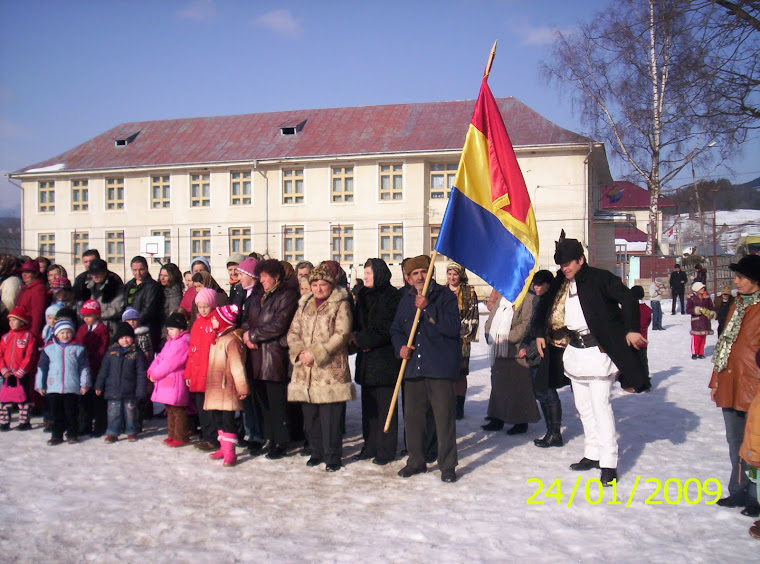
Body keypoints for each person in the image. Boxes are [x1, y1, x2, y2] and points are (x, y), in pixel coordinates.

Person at [534, 233, 649, 486]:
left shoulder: (599, 278)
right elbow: (544, 307)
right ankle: (592, 453)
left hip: (599, 353)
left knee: (600, 407)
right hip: (574, 351)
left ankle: (608, 462)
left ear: (581, 260)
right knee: (583, 407)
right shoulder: (560, 283)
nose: (564, 268)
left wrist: (631, 329)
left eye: (568, 264)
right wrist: (540, 333)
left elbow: (629, 298)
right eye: (561, 264)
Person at [390, 255, 461, 483]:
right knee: (413, 420)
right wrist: (400, 347)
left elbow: (452, 328)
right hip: (413, 368)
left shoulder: (445, 296)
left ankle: (447, 464)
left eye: (423, 271)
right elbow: (396, 330)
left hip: (439, 367)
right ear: (408, 279)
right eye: (415, 273)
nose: (420, 276)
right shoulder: (405, 300)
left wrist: (429, 308)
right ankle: (416, 461)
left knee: (444, 419)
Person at [287, 264, 356, 472]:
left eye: (322, 284)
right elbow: (293, 331)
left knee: (330, 417)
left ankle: (332, 455)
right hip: (306, 371)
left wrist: (316, 353)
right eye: (314, 284)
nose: (318, 288)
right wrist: (300, 351)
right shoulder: (305, 303)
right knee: (311, 416)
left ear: (330, 284)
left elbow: (342, 334)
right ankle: (316, 451)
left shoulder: (340, 303)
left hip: (329, 370)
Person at [709, 254, 760, 518]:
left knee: (756, 444)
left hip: (754, 386)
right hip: (730, 380)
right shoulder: (735, 305)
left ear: (755, 280)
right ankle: (738, 490)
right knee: (735, 441)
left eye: (741, 277)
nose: (736, 282)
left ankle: (756, 497)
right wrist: (716, 381)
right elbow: (723, 344)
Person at [243, 259, 299, 459]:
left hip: (274, 356)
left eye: (266, 276)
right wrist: (247, 333)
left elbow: (279, 324)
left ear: (276, 277)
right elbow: (247, 319)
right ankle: (269, 437)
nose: (262, 279)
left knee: (277, 402)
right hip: (256, 356)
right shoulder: (257, 296)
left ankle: (281, 441)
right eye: (261, 275)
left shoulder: (287, 295)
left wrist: (254, 335)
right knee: (262, 402)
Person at [352, 258, 402, 465]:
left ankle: (386, 449)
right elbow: (355, 323)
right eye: (364, 273)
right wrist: (356, 338)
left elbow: (388, 327)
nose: (365, 277)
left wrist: (366, 341)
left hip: (384, 359)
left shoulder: (392, 296)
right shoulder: (362, 295)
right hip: (366, 361)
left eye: (369, 273)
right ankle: (369, 444)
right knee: (369, 408)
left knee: (385, 407)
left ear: (379, 274)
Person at [518, 270, 567, 448]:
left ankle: (555, 432)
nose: (536, 288)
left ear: (548, 284)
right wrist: (525, 344)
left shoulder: (553, 303)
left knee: (548, 392)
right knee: (541, 393)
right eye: (534, 285)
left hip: (546, 354)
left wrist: (529, 350)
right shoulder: (538, 300)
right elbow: (532, 328)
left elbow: (546, 332)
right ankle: (550, 430)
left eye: (539, 285)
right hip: (535, 354)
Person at [483, 289, 540, 436]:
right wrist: (489, 333)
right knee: (498, 386)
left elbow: (526, 323)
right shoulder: (503, 298)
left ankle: (521, 421)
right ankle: (498, 417)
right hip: (498, 350)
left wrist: (507, 338)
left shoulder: (528, 298)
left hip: (515, 349)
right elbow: (491, 319)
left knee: (518, 387)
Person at [204, 304, 249, 467]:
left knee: (227, 418)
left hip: (227, 387)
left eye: (215, 319)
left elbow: (237, 366)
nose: (212, 322)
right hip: (216, 388)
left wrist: (242, 387)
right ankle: (223, 447)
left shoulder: (232, 341)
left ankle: (230, 451)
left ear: (223, 321)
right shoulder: (217, 339)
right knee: (217, 418)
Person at [35, 319, 90, 445]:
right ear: (56, 334)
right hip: (53, 386)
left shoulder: (78, 349)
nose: (65, 335)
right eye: (62, 333)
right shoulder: (49, 349)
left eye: (68, 332)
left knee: (72, 413)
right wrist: (40, 385)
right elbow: (42, 368)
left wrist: (84, 384)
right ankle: (57, 434)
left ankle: (72, 434)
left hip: (72, 386)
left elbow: (84, 368)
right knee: (56, 413)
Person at [95, 322, 148, 443]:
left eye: (128, 337)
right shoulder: (111, 353)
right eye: (122, 337)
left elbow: (141, 373)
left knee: (131, 412)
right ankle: (113, 432)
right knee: (114, 413)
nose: (125, 340)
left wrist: (141, 390)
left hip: (130, 390)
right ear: (117, 339)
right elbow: (103, 371)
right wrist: (99, 385)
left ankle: (131, 431)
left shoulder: (137, 353)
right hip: (113, 390)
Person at [148, 312, 191, 447]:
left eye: (172, 329)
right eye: (168, 330)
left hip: (176, 381)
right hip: (167, 381)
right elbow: (160, 358)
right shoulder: (169, 343)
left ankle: (180, 436)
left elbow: (171, 363)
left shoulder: (182, 343)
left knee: (178, 410)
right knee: (170, 409)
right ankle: (172, 434)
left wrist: (156, 374)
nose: (170, 332)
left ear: (181, 329)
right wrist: (151, 370)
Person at [186, 288, 219, 452]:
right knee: (201, 407)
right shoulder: (197, 323)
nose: (203, 309)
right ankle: (206, 435)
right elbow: (191, 349)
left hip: (211, 371)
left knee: (211, 408)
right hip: (197, 372)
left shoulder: (216, 321)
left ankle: (213, 437)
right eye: (200, 306)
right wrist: (189, 373)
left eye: (206, 306)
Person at [446, 262, 479, 420]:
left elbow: (473, 315)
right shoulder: (442, 291)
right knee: (446, 374)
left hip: (461, 339)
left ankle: (459, 406)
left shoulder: (469, 291)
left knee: (460, 373)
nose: (452, 277)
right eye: (449, 274)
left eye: (455, 274)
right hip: (444, 340)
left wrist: (462, 333)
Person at [0, 306, 39, 430]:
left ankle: (24, 422)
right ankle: (4, 422)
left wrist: (23, 369)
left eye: (14, 320)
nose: (11, 323)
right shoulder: (5, 337)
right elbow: (0, 354)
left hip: (21, 373)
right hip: (7, 373)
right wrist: (3, 368)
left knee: (23, 397)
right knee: (5, 398)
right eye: (9, 320)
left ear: (22, 321)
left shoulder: (28, 337)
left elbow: (29, 355)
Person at [76, 299, 110, 437]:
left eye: (89, 315)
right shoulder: (82, 329)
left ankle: (100, 426)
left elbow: (103, 348)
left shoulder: (103, 329)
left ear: (97, 315)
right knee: (85, 398)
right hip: (84, 368)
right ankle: (85, 425)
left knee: (98, 398)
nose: (86, 318)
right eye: (84, 316)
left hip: (97, 368)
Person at [123, 256, 163, 350]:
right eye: (135, 270)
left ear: (146, 268)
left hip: (146, 328)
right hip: (130, 327)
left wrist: (136, 322)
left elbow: (149, 309)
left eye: (141, 269)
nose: (138, 273)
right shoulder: (129, 285)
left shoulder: (152, 286)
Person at [82, 258, 124, 334]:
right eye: (92, 274)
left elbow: (117, 309)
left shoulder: (115, 285)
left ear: (104, 273)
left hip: (110, 326)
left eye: (97, 273)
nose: (94, 276)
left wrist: (98, 315)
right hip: (93, 325)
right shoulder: (88, 286)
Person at [16, 258, 49, 336]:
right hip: (22, 330)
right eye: (23, 272)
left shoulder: (38, 289)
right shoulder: (26, 288)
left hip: (29, 331)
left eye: (27, 272)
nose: (24, 274)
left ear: (35, 274)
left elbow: (37, 315)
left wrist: (32, 335)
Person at [687, 282, 715, 359]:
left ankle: (701, 353)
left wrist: (712, 313)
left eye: (703, 288)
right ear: (697, 289)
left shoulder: (707, 297)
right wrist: (696, 310)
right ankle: (694, 352)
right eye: (701, 288)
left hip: (705, 320)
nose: (703, 289)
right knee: (696, 338)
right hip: (696, 321)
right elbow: (688, 309)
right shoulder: (691, 298)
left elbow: (711, 307)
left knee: (703, 338)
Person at [632, 285, 652, 379]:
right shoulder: (647, 309)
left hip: (631, 340)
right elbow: (647, 322)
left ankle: (633, 382)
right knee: (643, 361)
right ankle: (645, 380)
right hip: (643, 339)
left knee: (632, 362)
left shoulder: (630, 309)